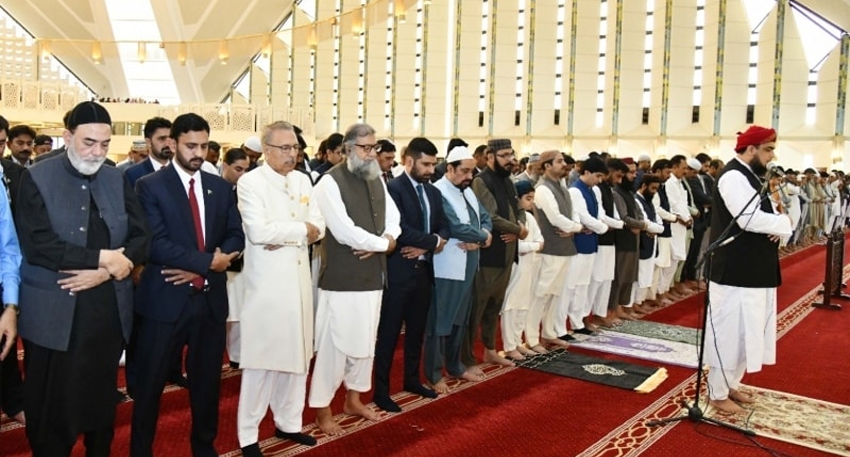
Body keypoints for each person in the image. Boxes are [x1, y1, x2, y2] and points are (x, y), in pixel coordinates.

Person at [16, 101, 149, 457]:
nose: (97, 151)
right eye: (89, 142)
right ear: (67, 137)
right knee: (51, 411)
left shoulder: (114, 176)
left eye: (105, 144)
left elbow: (141, 237)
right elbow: (39, 245)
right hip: (53, 315)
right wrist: (103, 258)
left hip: (105, 312)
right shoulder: (37, 176)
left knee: (98, 405)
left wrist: (104, 272)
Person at [131, 113, 244, 457]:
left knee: (207, 382)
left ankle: (204, 446)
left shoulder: (220, 188)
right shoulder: (149, 186)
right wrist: (209, 263)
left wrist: (202, 270)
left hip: (208, 302)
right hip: (164, 300)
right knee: (149, 385)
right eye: (190, 145)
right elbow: (155, 243)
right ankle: (140, 450)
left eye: (204, 146)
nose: (198, 152)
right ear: (172, 144)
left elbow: (236, 234)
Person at [236, 121, 324, 456]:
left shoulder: (303, 179)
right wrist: (302, 230)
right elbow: (259, 231)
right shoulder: (251, 182)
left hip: (300, 284)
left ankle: (289, 422)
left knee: (298, 359)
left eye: (295, 148)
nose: (292, 154)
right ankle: (248, 435)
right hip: (268, 288)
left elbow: (321, 226)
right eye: (284, 148)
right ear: (266, 149)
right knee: (262, 362)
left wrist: (288, 232)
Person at [308, 123, 401, 435]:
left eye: (373, 147)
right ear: (347, 148)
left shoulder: (376, 178)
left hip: (373, 276)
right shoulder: (328, 183)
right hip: (343, 279)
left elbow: (394, 218)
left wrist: (387, 240)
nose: (370, 153)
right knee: (335, 344)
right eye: (364, 147)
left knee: (364, 344)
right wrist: (381, 245)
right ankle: (322, 409)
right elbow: (343, 230)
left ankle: (353, 399)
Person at [705, 126, 793, 415]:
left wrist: (776, 224)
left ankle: (730, 384)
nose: (772, 155)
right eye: (768, 149)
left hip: (752, 270)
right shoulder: (732, 176)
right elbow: (749, 219)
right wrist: (782, 226)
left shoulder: (751, 176)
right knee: (730, 333)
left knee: (748, 332)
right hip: (734, 272)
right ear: (751, 148)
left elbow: (766, 216)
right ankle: (717, 393)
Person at [373, 137, 449, 413]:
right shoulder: (393, 189)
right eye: (426, 164)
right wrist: (433, 241)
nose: (431, 170)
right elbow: (399, 228)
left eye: (433, 164)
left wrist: (432, 242)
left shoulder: (433, 193)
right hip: (399, 273)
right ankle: (381, 391)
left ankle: (412, 380)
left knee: (416, 331)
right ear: (409, 161)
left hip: (424, 271)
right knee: (389, 334)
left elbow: (445, 226)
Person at [424, 146, 492, 392]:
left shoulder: (468, 191)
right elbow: (454, 227)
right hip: (448, 266)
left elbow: (485, 218)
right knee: (440, 323)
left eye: (471, 171)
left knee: (459, 322)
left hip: (469, 265)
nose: (469, 176)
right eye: (464, 171)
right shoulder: (439, 191)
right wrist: (483, 237)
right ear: (449, 168)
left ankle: (454, 366)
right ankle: (433, 374)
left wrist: (483, 235)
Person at [464, 139, 526, 369]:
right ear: (490, 156)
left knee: (494, 306)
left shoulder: (508, 180)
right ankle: (467, 358)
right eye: (505, 155)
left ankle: (489, 351)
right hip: (490, 254)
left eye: (511, 154)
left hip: (508, 253)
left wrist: (519, 226)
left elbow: (519, 208)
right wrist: (518, 229)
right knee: (477, 306)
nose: (510, 159)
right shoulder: (481, 181)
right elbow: (490, 216)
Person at [527, 151, 582, 350]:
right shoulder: (542, 189)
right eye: (559, 161)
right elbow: (555, 218)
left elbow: (572, 212)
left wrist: (574, 226)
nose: (563, 164)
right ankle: (532, 338)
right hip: (549, 249)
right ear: (547, 166)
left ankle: (548, 333)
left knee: (555, 294)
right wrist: (577, 228)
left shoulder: (562, 185)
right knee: (541, 294)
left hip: (565, 248)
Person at [566, 157, 610, 335]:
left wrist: (600, 226)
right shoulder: (576, 190)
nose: (599, 180)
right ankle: (571, 323)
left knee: (584, 285)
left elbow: (598, 214)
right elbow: (583, 217)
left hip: (591, 242)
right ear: (586, 172)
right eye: (597, 176)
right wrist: (603, 228)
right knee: (574, 286)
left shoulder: (592, 190)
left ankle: (579, 321)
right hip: (578, 245)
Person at [500, 180, 543, 360]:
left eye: (533, 198)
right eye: (528, 198)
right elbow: (515, 247)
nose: (531, 202)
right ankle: (509, 346)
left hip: (530, 266)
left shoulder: (530, 217)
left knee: (523, 306)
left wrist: (532, 246)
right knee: (511, 306)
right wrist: (533, 246)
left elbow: (541, 241)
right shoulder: (512, 218)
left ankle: (518, 342)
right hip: (515, 266)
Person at [220, 147, 251, 369]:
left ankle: (237, 356)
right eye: (238, 169)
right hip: (219, 258)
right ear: (225, 166)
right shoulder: (216, 189)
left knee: (240, 310)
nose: (243, 175)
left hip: (244, 257)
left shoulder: (249, 191)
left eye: (246, 170)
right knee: (224, 311)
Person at [125, 117, 174, 188]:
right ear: (148, 142)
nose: (167, 144)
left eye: (170, 139)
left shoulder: (181, 170)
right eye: (162, 139)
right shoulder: (133, 174)